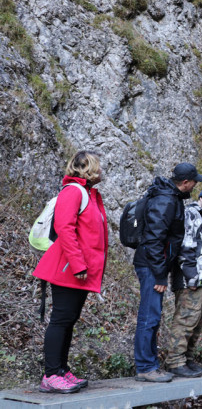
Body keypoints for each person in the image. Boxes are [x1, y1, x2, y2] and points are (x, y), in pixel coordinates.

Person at [33, 151, 108, 393]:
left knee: (69, 320)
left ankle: (61, 370)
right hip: (70, 269)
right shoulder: (74, 191)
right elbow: (64, 228)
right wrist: (78, 265)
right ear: (87, 169)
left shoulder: (88, 193)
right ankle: (51, 374)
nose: (101, 171)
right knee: (61, 320)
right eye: (98, 167)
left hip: (79, 270)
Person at [133, 163, 202, 383]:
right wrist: (161, 274)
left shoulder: (170, 198)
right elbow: (154, 240)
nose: (195, 185)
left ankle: (150, 365)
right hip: (152, 266)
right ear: (185, 183)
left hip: (154, 265)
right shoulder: (166, 200)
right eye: (194, 182)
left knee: (152, 315)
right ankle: (145, 367)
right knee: (149, 316)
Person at [165, 182, 202, 378]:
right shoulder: (190, 213)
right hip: (192, 280)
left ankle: (188, 359)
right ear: (201, 198)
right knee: (186, 319)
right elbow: (186, 246)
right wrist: (191, 276)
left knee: (198, 321)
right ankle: (175, 361)